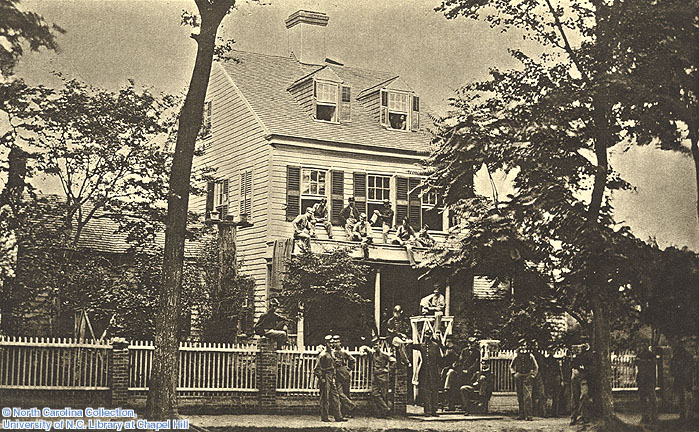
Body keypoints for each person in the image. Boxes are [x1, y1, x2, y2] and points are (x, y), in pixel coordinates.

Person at [314, 335, 347, 422]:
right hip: (325, 377)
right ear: (326, 343)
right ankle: (324, 417)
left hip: (332, 376)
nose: (331, 344)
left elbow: (333, 365)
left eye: (332, 343)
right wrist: (322, 378)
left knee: (335, 397)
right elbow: (317, 369)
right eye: (329, 343)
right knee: (325, 397)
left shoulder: (332, 353)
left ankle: (338, 417)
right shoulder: (323, 354)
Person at [361, 337, 396, 417]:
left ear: (380, 346)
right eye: (374, 346)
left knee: (384, 395)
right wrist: (363, 348)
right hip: (375, 376)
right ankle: (386, 409)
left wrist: (388, 370)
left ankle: (383, 413)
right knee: (374, 394)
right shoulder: (373, 354)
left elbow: (394, 361)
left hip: (383, 376)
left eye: (376, 345)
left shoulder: (385, 354)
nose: (375, 347)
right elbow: (366, 348)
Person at [412, 329, 443, 417]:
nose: (427, 337)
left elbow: (440, 359)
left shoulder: (435, 346)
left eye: (429, 335)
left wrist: (439, 370)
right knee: (425, 391)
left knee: (434, 391)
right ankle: (427, 411)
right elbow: (411, 346)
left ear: (431, 336)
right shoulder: (421, 346)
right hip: (424, 371)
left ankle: (434, 410)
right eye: (426, 335)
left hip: (433, 371)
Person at [509, 338, 538, 421]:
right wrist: (514, 373)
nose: (522, 347)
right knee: (520, 396)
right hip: (519, 376)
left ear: (526, 346)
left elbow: (536, 367)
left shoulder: (530, 356)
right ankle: (521, 414)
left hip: (527, 376)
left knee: (528, 396)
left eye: (524, 345)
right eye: (521, 346)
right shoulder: (516, 355)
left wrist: (532, 375)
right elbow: (511, 366)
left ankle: (529, 415)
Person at [331, 335, 357, 418]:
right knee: (339, 393)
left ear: (340, 343)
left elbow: (353, 360)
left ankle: (347, 412)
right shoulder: (331, 352)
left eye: (337, 342)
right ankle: (352, 406)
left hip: (344, 373)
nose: (336, 343)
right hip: (336, 374)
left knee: (346, 393)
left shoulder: (344, 352)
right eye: (334, 342)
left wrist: (349, 369)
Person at [670, 343, 695, 424]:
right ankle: (684, 415)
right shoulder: (678, 356)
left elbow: (691, 368)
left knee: (686, 397)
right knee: (683, 398)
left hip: (685, 379)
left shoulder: (685, 357)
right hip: (682, 379)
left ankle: (686, 415)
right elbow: (672, 368)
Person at [569, 343, 592, 425]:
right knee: (574, 397)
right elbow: (572, 365)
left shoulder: (589, 356)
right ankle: (573, 417)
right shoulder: (576, 356)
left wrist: (584, 369)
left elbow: (590, 367)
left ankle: (583, 416)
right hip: (576, 377)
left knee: (584, 395)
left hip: (583, 378)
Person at [636, 345, 658, 425]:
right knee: (642, 399)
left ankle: (654, 417)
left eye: (645, 344)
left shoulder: (651, 355)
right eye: (642, 344)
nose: (643, 346)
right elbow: (636, 362)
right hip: (641, 380)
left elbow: (653, 363)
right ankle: (645, 417)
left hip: (649, 380)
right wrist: (645, 361)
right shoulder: (639, 354)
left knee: (652, 399)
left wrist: (643, 361)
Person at [542, 351, 564, 417]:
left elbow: (560, 371)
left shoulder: (554, 361)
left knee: (554, 396)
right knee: (551, 396)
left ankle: (553, 413)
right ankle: (548, 412)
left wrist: (561, 379)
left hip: (554, 379)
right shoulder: (546, 362)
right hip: (550, 379)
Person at [530, 341, 547, 417]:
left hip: (539, 376)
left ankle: (543, 412)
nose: (536, 347)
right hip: (531, 375)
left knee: (542, 394)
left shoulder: (541, 356)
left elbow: (543, 367)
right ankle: (533, 412)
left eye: (537, 345)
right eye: (534, 345)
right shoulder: (529, 356)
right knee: (531, 395)